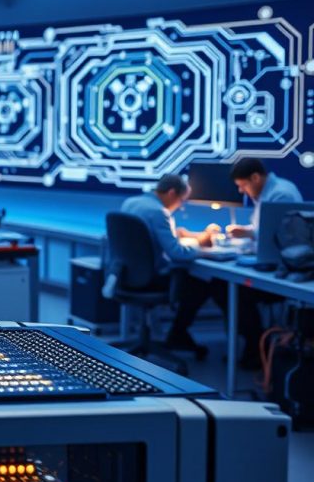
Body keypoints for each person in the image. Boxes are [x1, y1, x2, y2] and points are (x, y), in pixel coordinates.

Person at [122, 174, 261, 366]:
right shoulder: (159, 212)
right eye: (181, 201)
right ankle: (178, 333)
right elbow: (177, 253)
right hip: (152, 279)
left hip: (130, 275)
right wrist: (202, 248)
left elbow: (157, 239)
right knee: (202, 282)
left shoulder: (133, 202)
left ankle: (178, 333)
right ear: (171, 193)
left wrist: (189, 237)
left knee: (198, 281)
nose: (181, 206)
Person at [226, 157, 303, 238]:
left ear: (255, 178)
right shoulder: (267, 192)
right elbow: (266, 226)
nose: (241, 190)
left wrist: (249, 233)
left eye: (243, 185)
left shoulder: (281, 195)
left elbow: (277, 233)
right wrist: (245, 230)